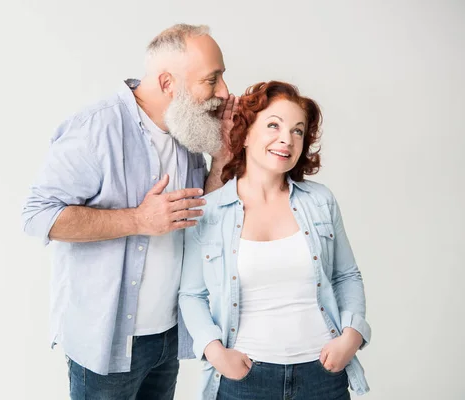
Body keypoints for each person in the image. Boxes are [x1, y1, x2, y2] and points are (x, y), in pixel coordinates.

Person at [21, 24, 237, 400]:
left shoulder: (188, 130)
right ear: (169, 83)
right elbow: (37, 215)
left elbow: (198, 216)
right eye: (212, 79)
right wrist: (138, 220)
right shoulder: (96, 128)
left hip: (168, 337)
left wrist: (221, 161)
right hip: (107, 345)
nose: (224, 91)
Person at [179, 81, 371, 400]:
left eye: (298, 131)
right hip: (243, 378)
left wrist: (351, 336)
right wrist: (215, 352)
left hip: (323, 374)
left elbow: (346, 275)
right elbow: (192, 293)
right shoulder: (209, 211)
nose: (287, 139)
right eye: (273, 125)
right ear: (246, 133)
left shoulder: (320, 201)